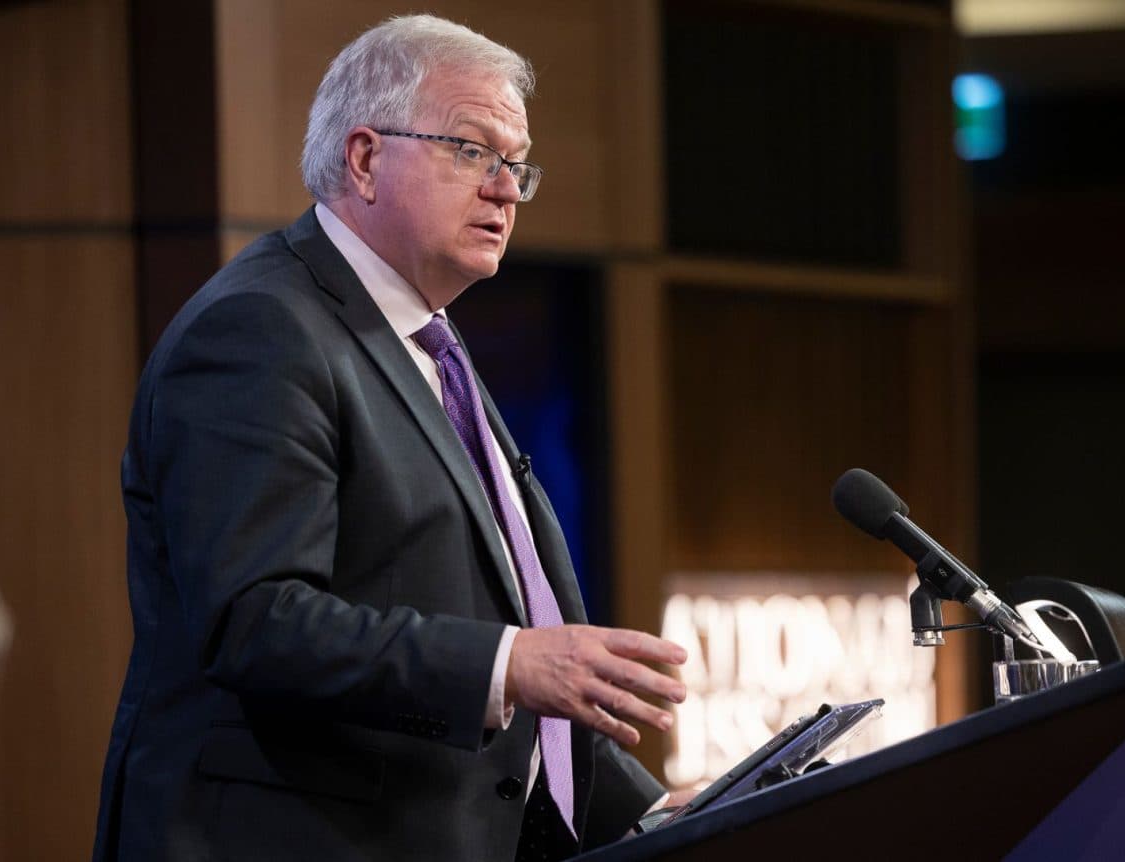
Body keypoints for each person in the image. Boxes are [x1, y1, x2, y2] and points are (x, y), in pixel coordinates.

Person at [93, 15, 688, 861]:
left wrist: (646, 815)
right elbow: (256, 620)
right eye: (474, 152)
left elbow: (474, 601)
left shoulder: (423, 340)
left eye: (516, 165)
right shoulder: (262, 330)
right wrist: (509, 664)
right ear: (365, 159)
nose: (506, 190)